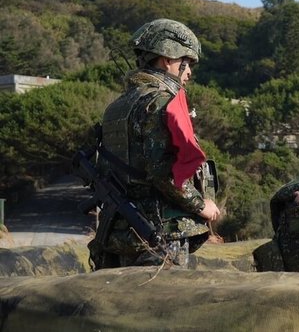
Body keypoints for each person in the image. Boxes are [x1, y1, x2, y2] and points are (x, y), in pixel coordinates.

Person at [87, 18, 221, 269]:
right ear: (167, 59)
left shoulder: (116, 107)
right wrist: (202, 205)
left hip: (117, 234)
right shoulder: (161, 103)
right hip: (158, 235)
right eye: (186, 62)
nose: (189, 72)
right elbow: (166, 174)